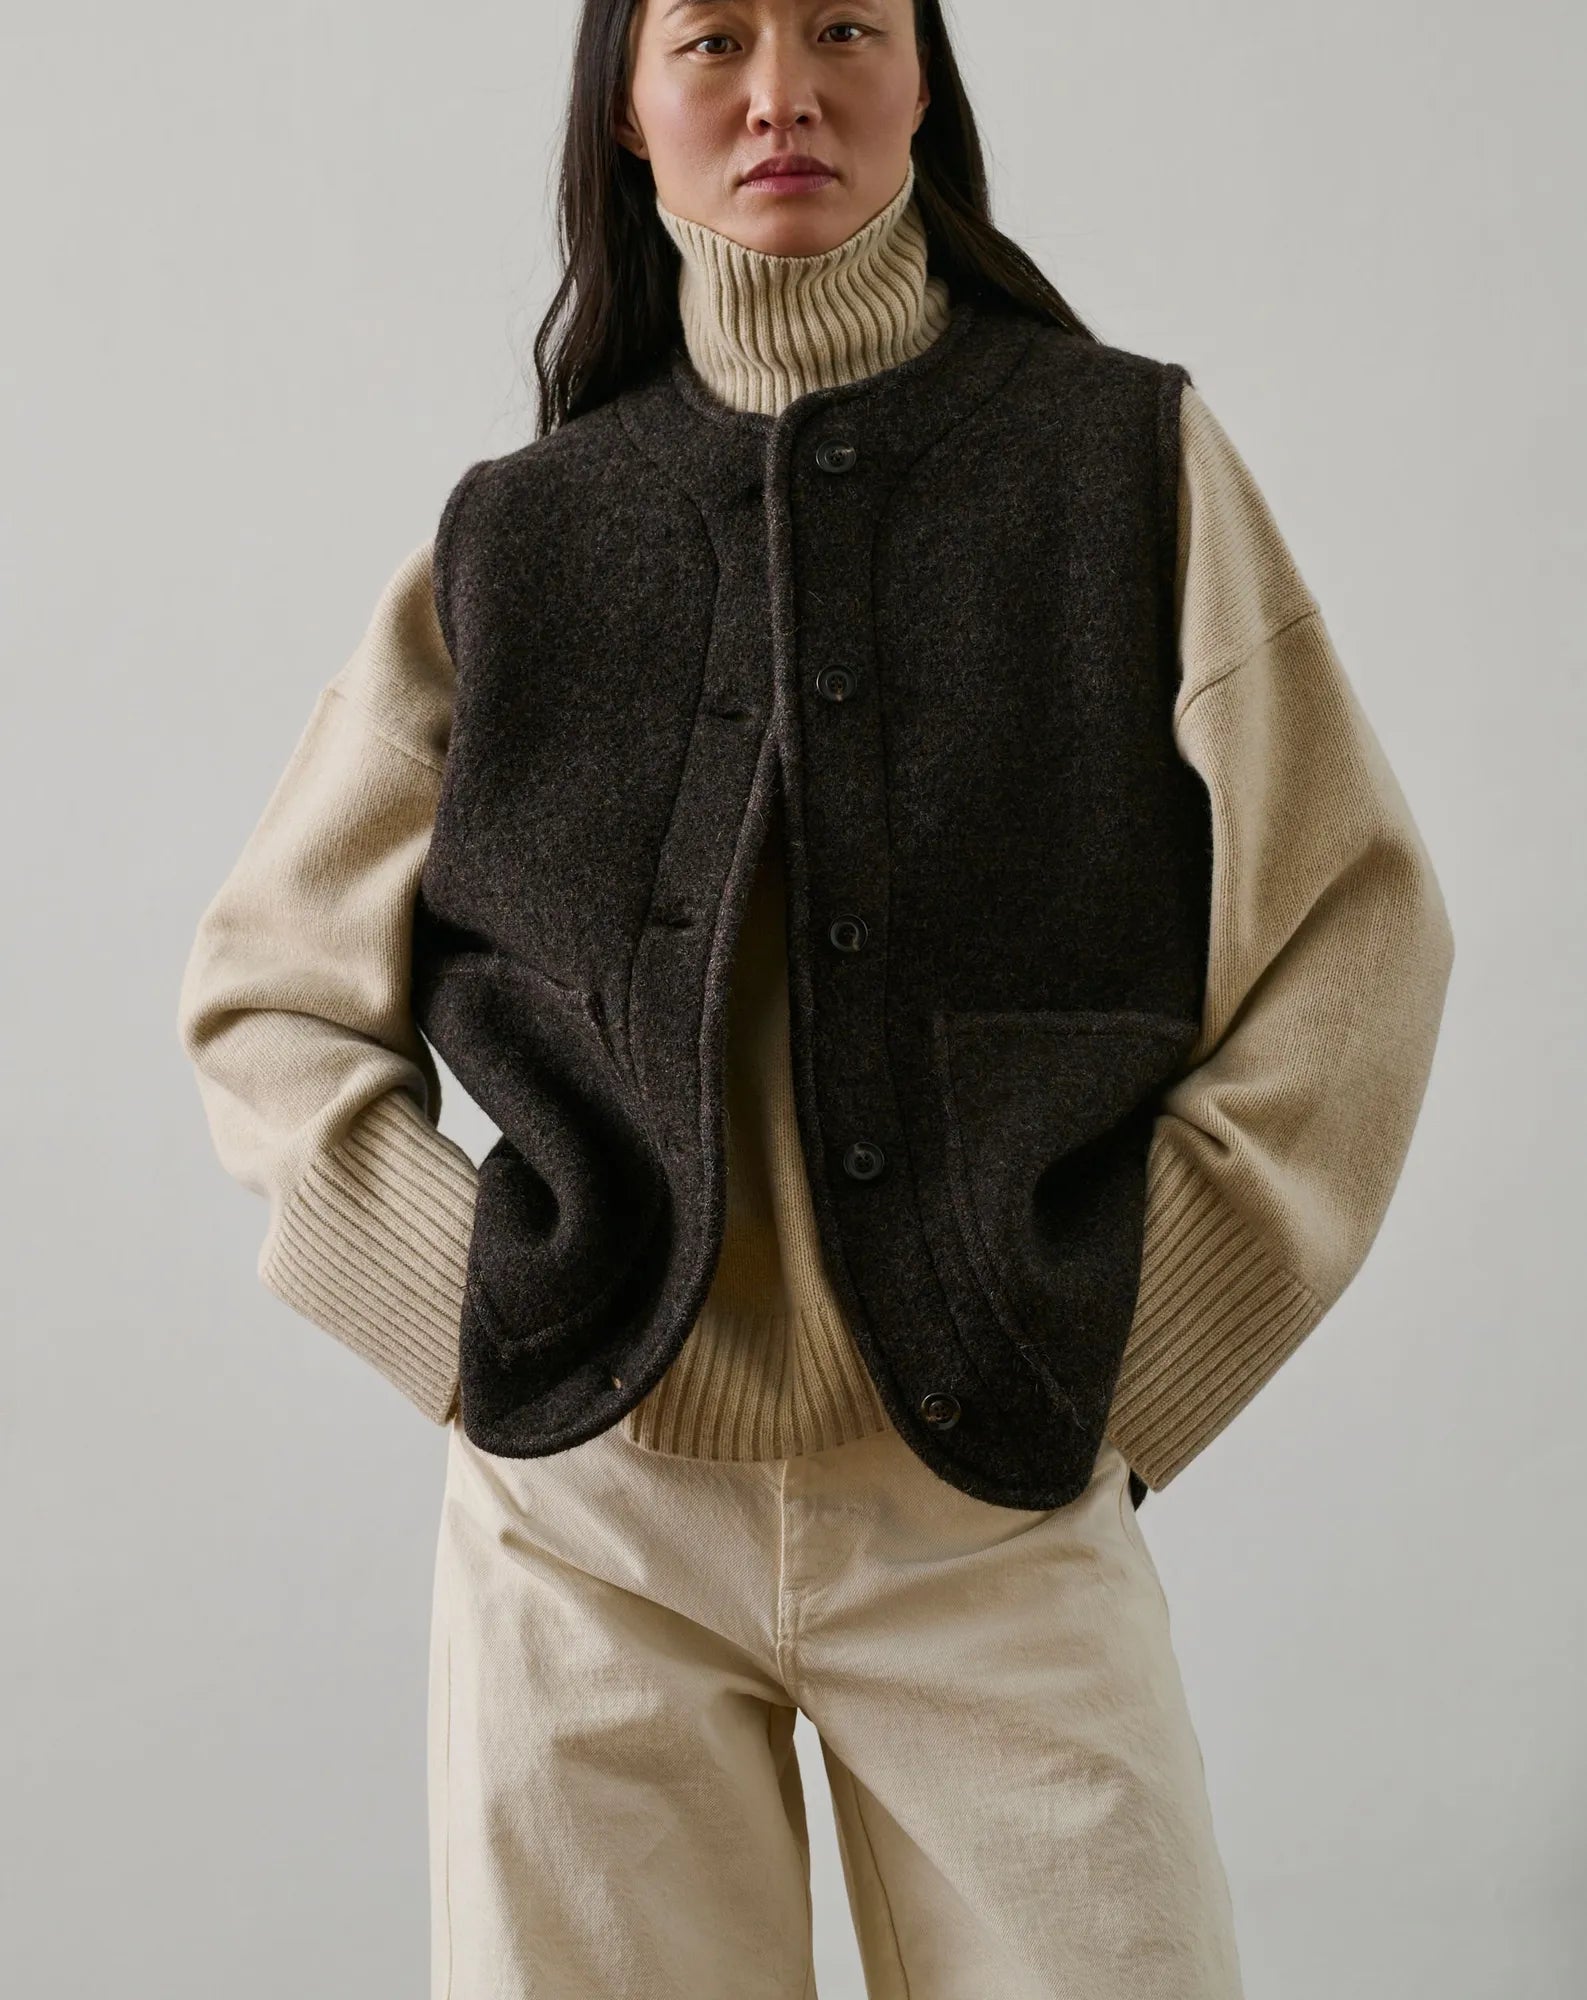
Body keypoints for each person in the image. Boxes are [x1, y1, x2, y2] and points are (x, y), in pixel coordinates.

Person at [175, 2, 1455, 1993]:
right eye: (712, 39)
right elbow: (267, 992)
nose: (783, 90)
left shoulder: (1119, 461)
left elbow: (1354, 928)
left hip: (991, 1487)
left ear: (921, 74)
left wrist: (1134, 1340)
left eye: (846, 24)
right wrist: (473, 1313)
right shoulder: (519, 534)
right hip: (589, 1527)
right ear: (628, 106)